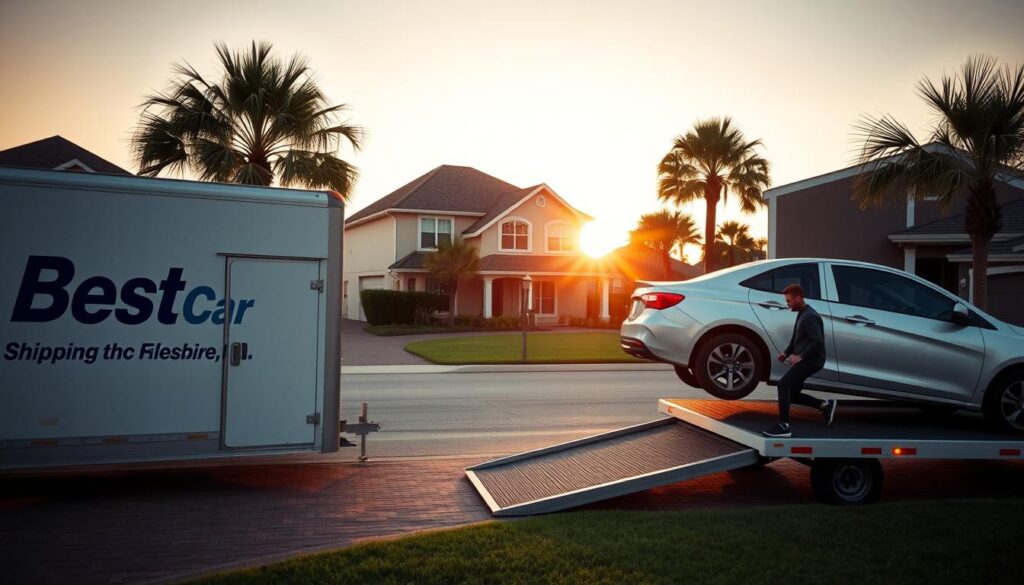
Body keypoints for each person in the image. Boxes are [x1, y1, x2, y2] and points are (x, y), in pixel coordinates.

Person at [763, 284, 837, 437]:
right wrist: (786, 352)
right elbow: (797, 338)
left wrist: (800, 356)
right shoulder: (802, 313)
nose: (787, 304)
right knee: (793, 395)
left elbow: (817, 342)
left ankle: (784, 426)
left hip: (812, 361)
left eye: (789, 301)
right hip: (806, 359)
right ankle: (824, 405)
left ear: (798, 298)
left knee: (783, 385)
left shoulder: (810, 316)